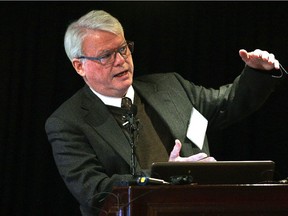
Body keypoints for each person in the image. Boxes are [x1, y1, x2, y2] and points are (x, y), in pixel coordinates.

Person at [45, 10, 282, 216]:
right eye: (107, 55)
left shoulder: (171, 87)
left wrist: (257, 73)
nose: (121, 61)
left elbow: (226, 104)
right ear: (79, 66)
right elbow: (95, 191)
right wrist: (166, 175)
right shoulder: (67, 122)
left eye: (123, 48)